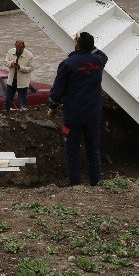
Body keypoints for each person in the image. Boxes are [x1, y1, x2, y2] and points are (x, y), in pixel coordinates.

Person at [47, 32, 108, 186]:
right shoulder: (99, 61)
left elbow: (57, 91)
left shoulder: (68, 64)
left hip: (73, 116)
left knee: (72, 152)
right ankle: (96, 183)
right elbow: (102, 53)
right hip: (93, 115)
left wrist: (52, 106)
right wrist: (87, 42)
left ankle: (76, 185)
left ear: (78, 44)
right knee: (93, 150)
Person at [4, 39, 35, 111]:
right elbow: (5, 62)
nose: (18, 50)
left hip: (22, 82)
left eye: (20, 49)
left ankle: (22, 114)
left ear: (24, 47)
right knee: (8, 99)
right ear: (15, 46)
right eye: (17, 49)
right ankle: (6, 112)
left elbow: (30, 69)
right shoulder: (10, 52)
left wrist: (20, 67)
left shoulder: (29, 55)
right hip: (11, 81)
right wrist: (11, 63)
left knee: (22, 101)